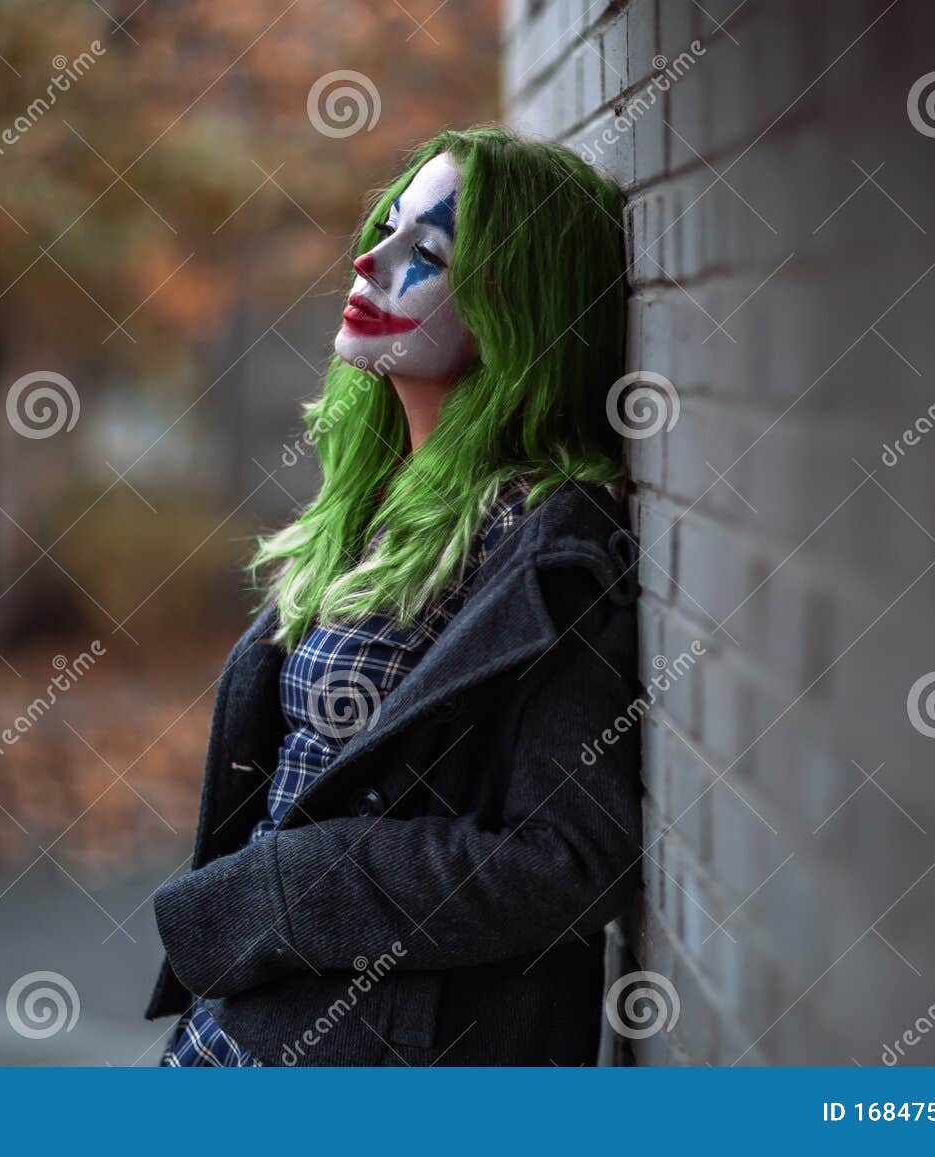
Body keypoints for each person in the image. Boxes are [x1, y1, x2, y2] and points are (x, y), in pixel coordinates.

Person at [147, 126, 643, 1066]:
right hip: (241, 1031)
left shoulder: (544, 539)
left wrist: (290, 888)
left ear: (512, 303)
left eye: (426, 252)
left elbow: (572, 859)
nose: (371, 261)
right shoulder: (372, 503)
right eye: (385, 227)